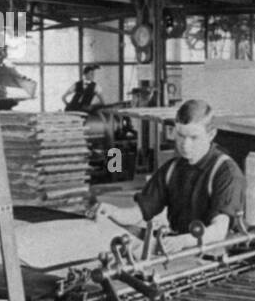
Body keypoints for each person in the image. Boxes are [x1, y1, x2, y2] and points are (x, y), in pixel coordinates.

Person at [95, 98, 245, 251]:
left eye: (194, 137)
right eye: (180, 135)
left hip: (213, 251)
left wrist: (182, 241)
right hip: (179, 245)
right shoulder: (172, 169)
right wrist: (112, 211)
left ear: (211, 134)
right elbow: (140, 212)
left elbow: (218, 230)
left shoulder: (226, 172)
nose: (185, 144)